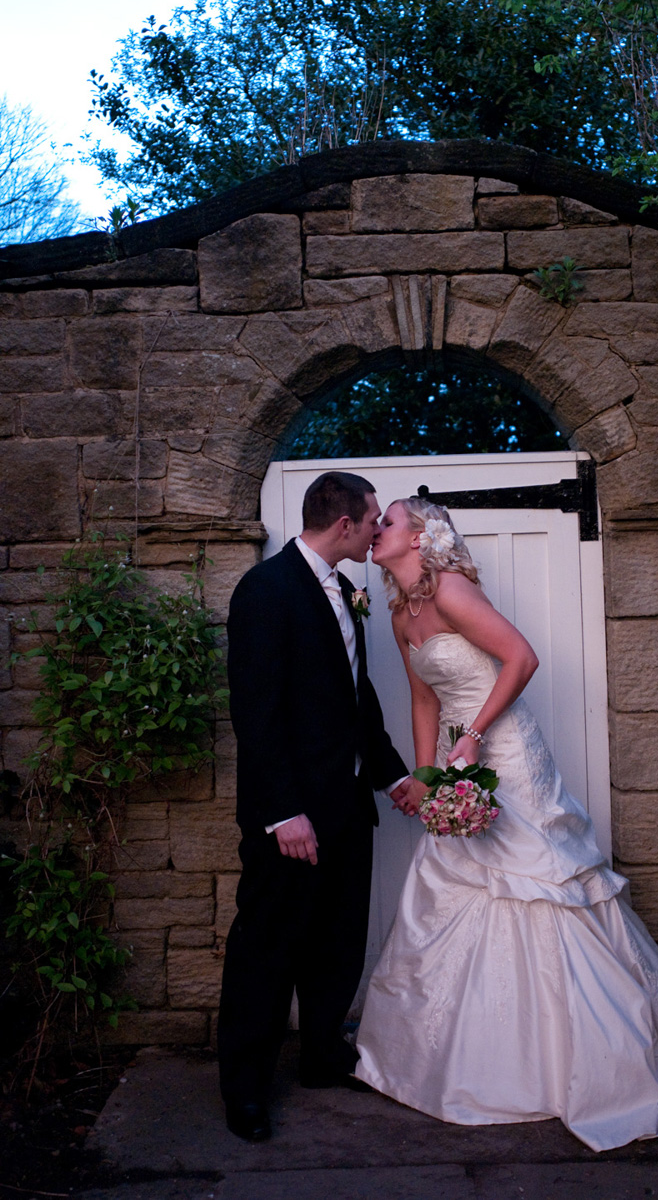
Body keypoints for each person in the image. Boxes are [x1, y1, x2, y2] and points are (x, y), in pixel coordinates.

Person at [354, 497, 658, 1151]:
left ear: (420, 537)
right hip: (458, 758)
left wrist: (474, 738)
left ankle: (587, 1060)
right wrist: (429, 773)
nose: (376, 527)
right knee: (456, 880)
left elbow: (521, 658)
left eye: (389, 520)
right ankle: (474, 1060)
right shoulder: (400, 611)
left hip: (507, 754)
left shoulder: (452, 590)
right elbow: (423, 696)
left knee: (541, 882)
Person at [218, 471, 408, 1142]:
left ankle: (322, 1056)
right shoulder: (266, 589)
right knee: (267, 949)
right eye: (373, 519)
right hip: (290, 817)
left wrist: (391, 776)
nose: (378, 530)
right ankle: (245, 1091)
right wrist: (282, 812)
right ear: (344, 524)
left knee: (337, 941)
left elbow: (356, 697)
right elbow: (256, 711)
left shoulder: (347, 589)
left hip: (347, 806)